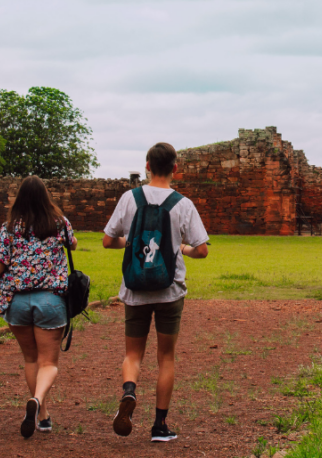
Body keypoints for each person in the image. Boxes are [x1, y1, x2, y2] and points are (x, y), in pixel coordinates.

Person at [103, 142, 209, 443]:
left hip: (135, 288)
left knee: (133, 353)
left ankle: (129, 390)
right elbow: (201, 250)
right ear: (175, 168)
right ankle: (160, 425)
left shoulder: (129, 198)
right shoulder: (183, 204)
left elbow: (108, 241)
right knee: (166, 357)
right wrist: (180, 247)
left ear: (147, 165)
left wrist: (133, 242)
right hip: (169, 290)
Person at [0, 176, 76, 439]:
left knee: (31, 359)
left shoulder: (9, 227)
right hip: (50, 299)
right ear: (45, 197)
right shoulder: (58, 222)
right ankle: (39, 400)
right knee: (49, 362)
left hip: (17, 300)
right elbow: (73, 244)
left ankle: (42, 415)